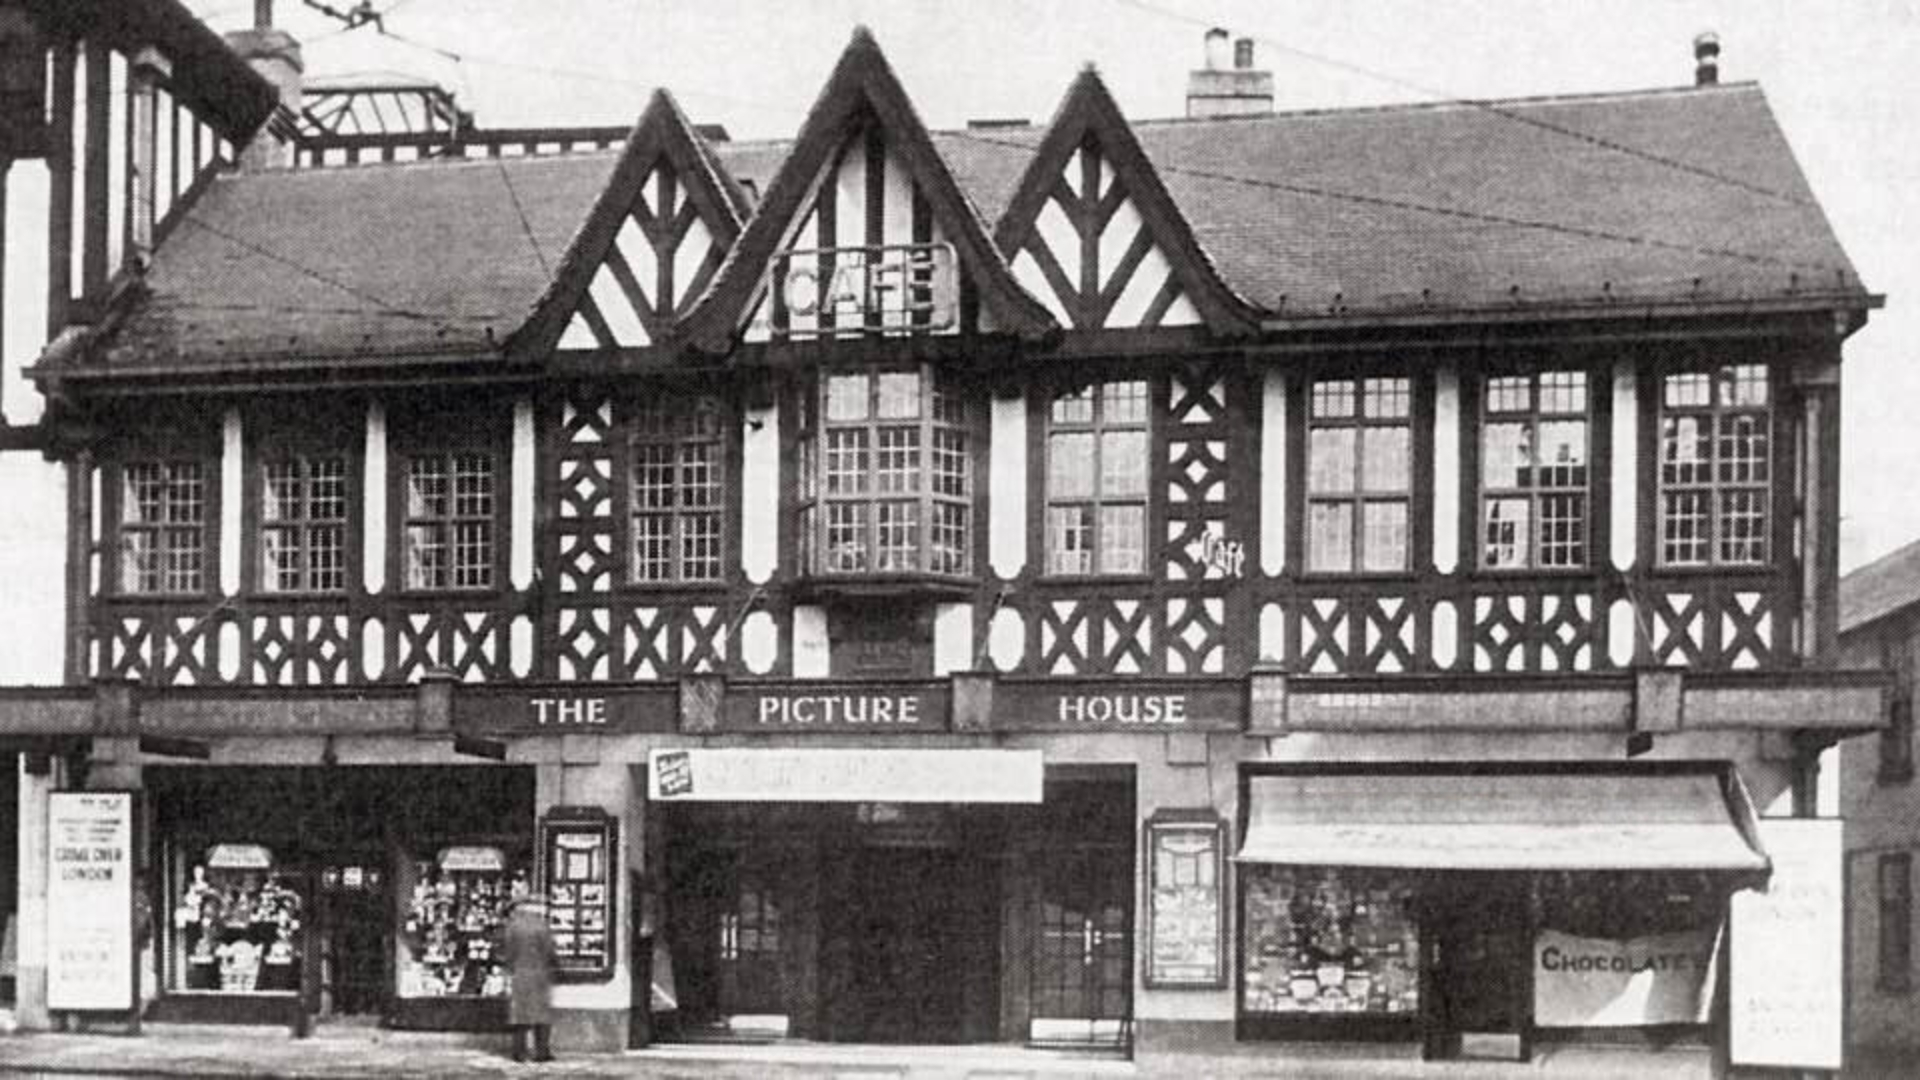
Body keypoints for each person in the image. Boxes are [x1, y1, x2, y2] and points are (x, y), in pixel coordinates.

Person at [502, 885, 557, 1063]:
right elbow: (550, 951)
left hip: (520, 973)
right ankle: (542, 1052)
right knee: (541, 1015)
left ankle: (520, 1052)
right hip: (540, 974)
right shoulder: (542, 925)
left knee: (520, 1016)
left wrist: (510, 968)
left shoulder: (512, 926)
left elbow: (508, 952)